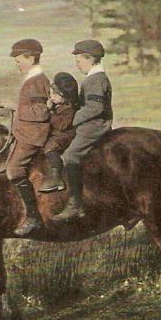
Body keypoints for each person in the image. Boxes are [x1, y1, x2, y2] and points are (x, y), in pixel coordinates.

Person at [52, 39, 113, 222]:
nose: (77, 64)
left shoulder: (96, 80)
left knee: (70, 155)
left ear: (90, 59)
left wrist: (72, 119)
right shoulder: (92, 78)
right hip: (88, 124)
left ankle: (75, 204)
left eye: (79, 60)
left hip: (93, 126)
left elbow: (95, 108)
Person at [6, 38, 51, 236]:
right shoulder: (32, 79)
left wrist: (14, 107)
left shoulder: (38, 81)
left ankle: (34, 217)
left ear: (32, 57)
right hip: (26, 130)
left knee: (14, 169)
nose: (17, 64)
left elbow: (41, 113)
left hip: (33, 135)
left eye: (19, 60)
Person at [39, 72, 79, 193]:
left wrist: (50, 112)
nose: (52, 97)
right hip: (60, 133)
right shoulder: (59, 105)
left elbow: (61, 126)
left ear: (65, 97)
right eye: (51, 93)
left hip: (66, 134)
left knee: (50, 146)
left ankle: (56, 177)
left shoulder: (69, 109)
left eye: (55, 94)